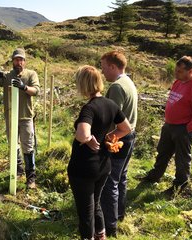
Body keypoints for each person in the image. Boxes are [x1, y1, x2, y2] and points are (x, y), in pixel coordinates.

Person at [67, 65, 131, 240]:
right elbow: (126, 128)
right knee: (96, 204)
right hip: (103, 165)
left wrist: (87, 139)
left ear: (83, 85)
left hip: (84, 168)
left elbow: (82, 134)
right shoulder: (110, 104)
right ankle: (101, 236)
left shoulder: (89, 108)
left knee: (85, 211)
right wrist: (110, 135)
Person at [141, 56, 192, 196]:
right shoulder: (179, 81)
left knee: (182, 159)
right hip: (169, 125)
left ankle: (179, 186)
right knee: (163, 152)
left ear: (190, 71)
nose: (175, 73)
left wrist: (188, 129)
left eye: (179, 71)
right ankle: (154, 176)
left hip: (183, 128)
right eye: (176, 70)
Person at [0, 48, 40, 189]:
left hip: (26, 117)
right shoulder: (7, 76)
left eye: (21, 59)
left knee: (27, 147)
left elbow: (36, 91)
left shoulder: (31, 74)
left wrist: (24, 87)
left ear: (24, 61)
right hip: (11, 117)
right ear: (12, 61)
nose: (19, 62)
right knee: (13, 146)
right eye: (16, 59)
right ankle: (17, 171)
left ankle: (30, 178)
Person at [99, 50, 138, 237]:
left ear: (113, 67)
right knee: (121, 177)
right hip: (130, 137)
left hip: (118, 138)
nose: (102, 71)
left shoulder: (116, 87)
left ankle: (110, 224)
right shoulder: (129, 82)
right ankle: (119, 214)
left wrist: (103, 137)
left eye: (104, 67)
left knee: (110, 181)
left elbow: (110, 117)